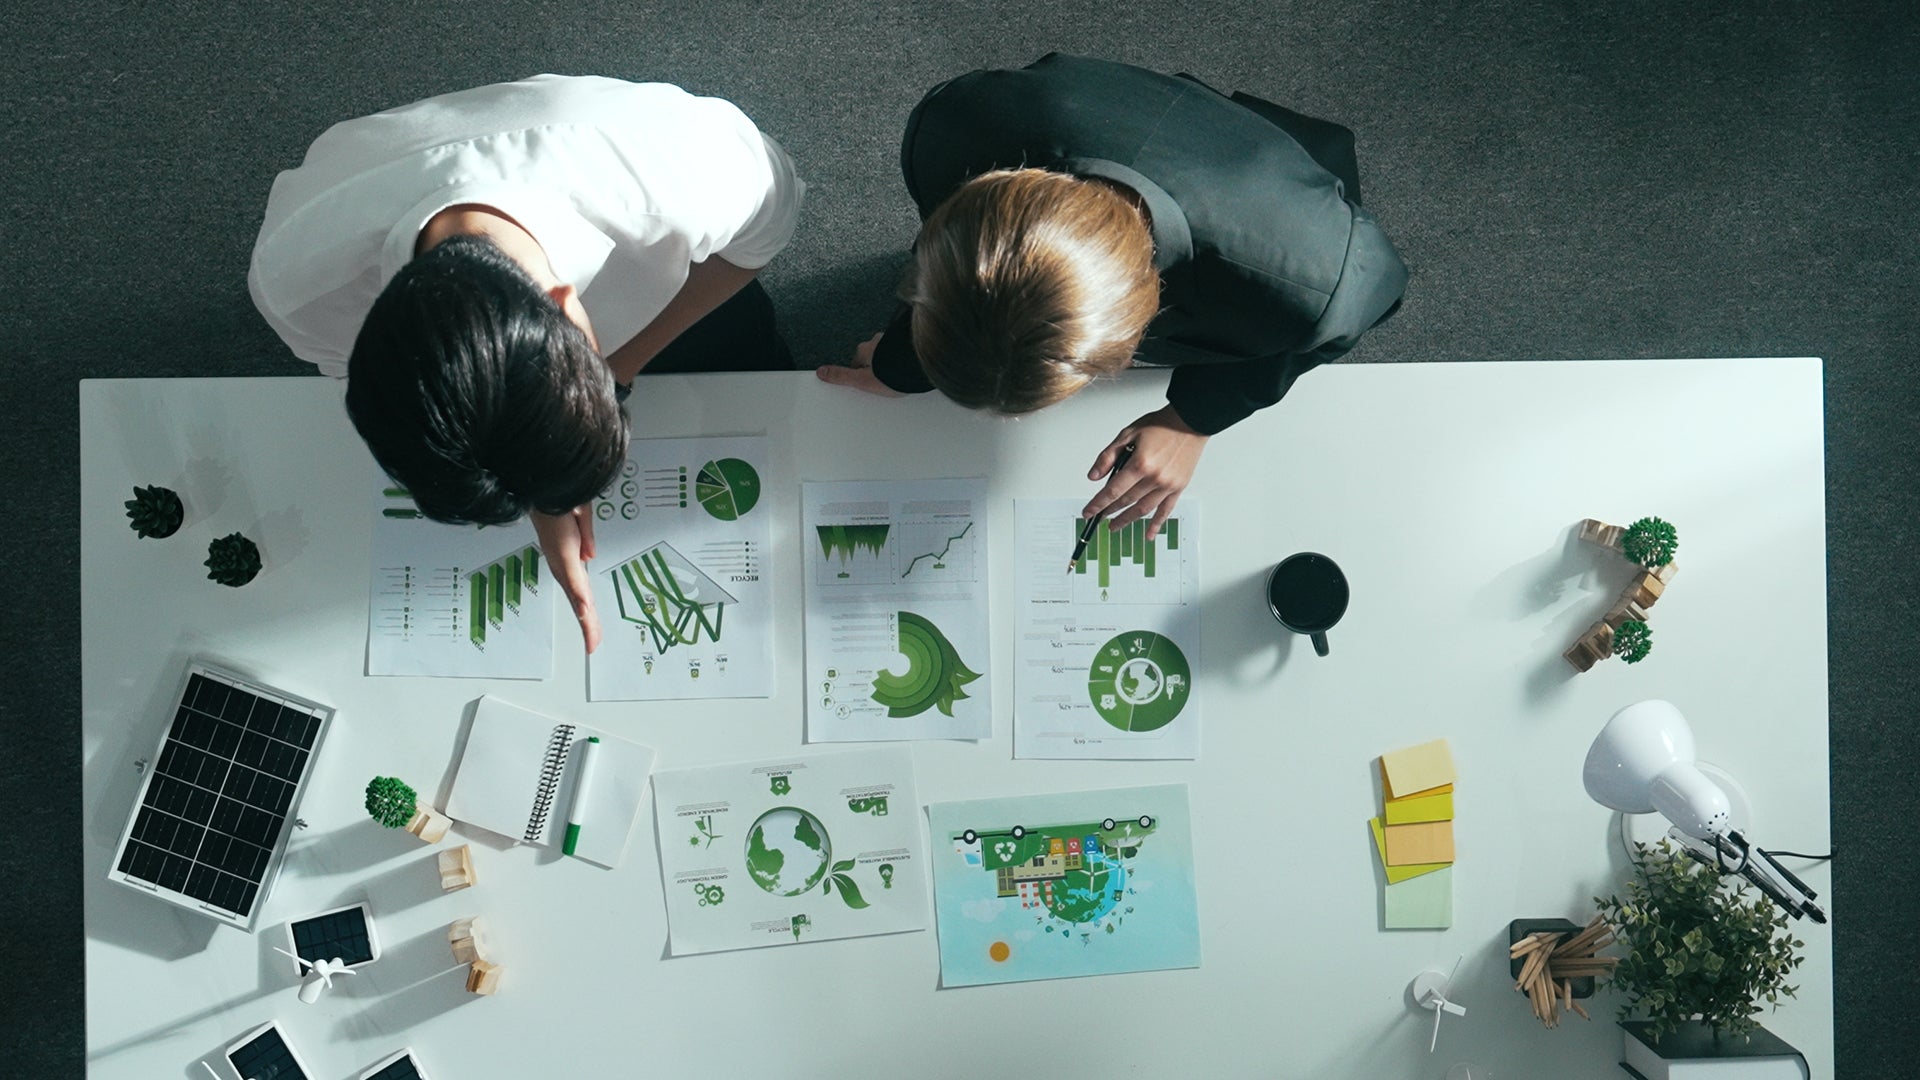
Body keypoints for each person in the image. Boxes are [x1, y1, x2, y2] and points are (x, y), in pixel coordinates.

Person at [249, 74, 804, 651]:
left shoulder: (694, 169)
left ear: (567, 303)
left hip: (674, 264)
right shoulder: (299, 290)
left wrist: (616, 373)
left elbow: (756, 244)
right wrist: (538, 477)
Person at [818, 54, 1407, 537]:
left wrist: (1192, 418)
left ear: (1127, 344)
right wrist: (907, 362)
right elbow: (958, 274)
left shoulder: (1315, 280)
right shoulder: (950, 126)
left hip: (1272, 182)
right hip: (1094, 113)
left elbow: (1368, 302)